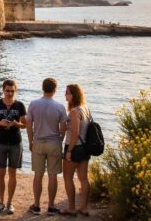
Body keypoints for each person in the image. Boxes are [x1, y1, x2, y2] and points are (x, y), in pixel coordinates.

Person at [26, 78, 68, 216]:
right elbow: (64, 128)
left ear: (42, 88)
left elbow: (28, 124)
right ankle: (50, 206)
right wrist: (60, 140)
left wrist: (31, 141)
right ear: (55, 90)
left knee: (38, 175)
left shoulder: (33, 104)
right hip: (54, 143)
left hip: (38, 142)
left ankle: (37, 206)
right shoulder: (60, 107)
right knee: (52, 176)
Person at [0, 79, 27, 215]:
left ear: (15, 90)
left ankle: (10, 203)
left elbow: (25, 125)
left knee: (13, 173)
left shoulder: (20, 105)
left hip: (16, 143)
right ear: (3, 90)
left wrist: (16, 123)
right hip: (0, 143)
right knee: (0, 173)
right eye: (7, 90)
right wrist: (0, 123)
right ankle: (1, 202)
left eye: (12, 91)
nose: (9, 93)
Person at [62, 84, 91, 216]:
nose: (65, 95)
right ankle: (84, 208)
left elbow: (75, 132)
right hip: (85, 147)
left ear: (74, 95)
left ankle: (72, 208)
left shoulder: (74, 112)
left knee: (67, 177)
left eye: (67, 93)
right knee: (83, 179)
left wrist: (69, 151)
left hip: (74, 147)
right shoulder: (85, 109)